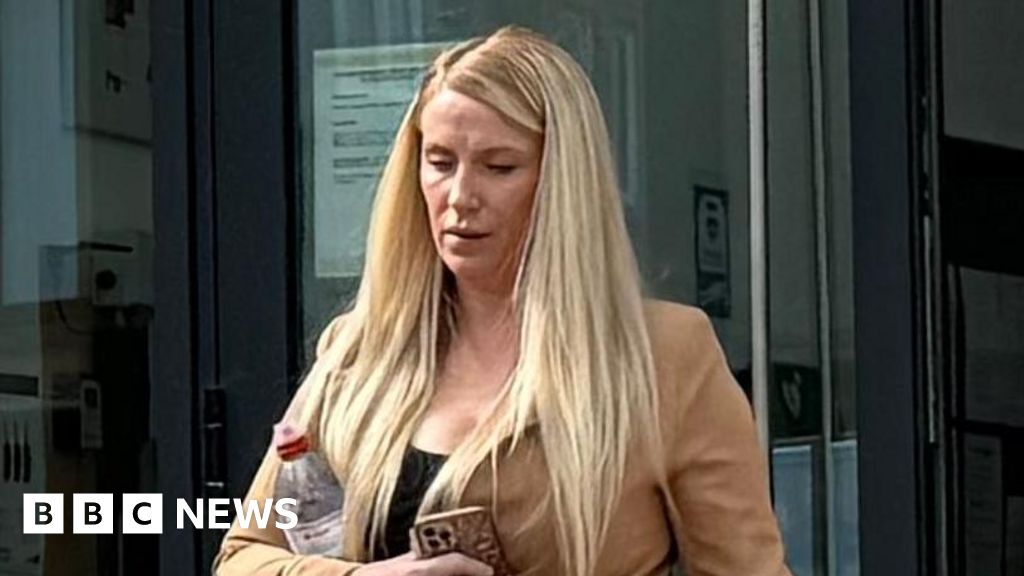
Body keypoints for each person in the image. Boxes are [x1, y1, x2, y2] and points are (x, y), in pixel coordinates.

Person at [213, 26, 790, 576]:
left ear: (561, 182)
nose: (461, 196)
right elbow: (244, 555)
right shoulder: (361, 352)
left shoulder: (664, 357)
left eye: (499, 167)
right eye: (440, 162)